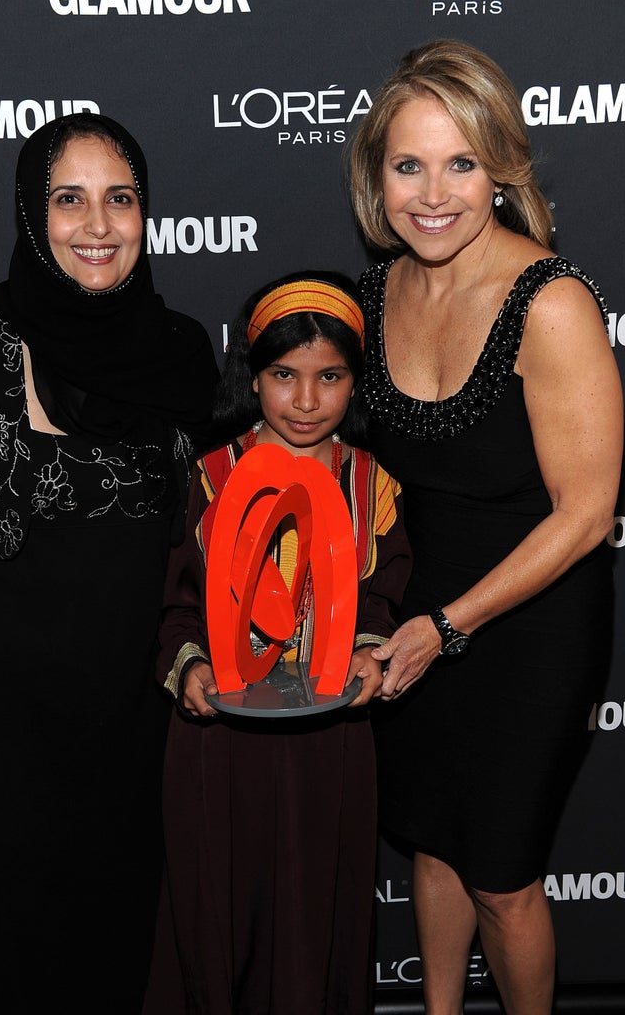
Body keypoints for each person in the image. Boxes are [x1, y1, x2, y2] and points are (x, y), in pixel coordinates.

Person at [0, 112, 219, 1015]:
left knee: (121, 950)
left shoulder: (183, 356)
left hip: (134, 730)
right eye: (68, 199)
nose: (98, 225)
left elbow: (212, 539)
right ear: (30, 216)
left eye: (120, 199)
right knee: (4, 957)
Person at [348, 38, 623, 1015]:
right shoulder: (379, 293)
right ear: (375, 176)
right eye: (409, 164)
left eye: (461, 163)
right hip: (421, 603)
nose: (434, 193)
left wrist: (451, 624)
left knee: (502, 875)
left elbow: (588, 513)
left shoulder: (549, 301)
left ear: (500, 168)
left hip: (532, 617)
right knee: (431, 838)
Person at [142, 271, 412, 1015]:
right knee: (214, 916)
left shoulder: (372, 484)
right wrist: (191, 667)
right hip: (218, 743)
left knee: (316, 919)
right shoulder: (209, 476)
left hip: (330, 742)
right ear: (252, 376)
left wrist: (368, 649)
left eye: (329, 378)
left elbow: (386, 594)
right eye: (283, 376)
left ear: (356, 383)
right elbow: (174, 605)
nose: (304, 400)